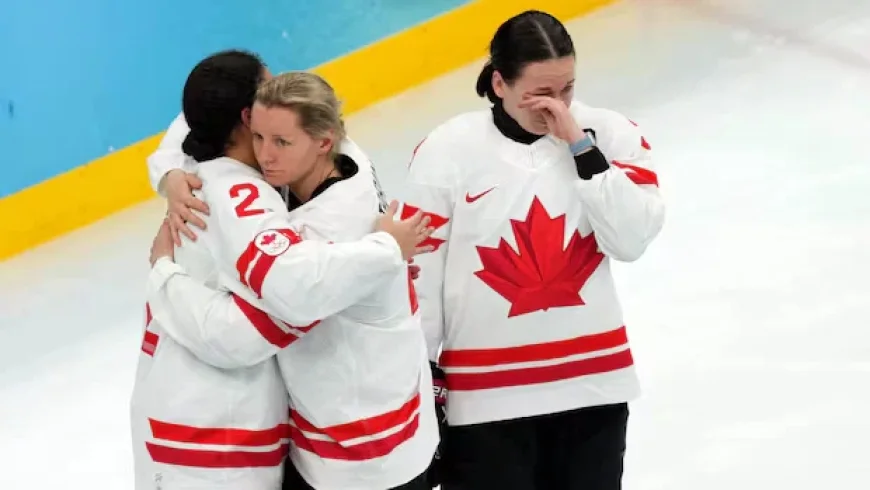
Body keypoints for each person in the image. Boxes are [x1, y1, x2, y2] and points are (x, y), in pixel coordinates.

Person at [131, 50, 435, 490]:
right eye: (261, 131)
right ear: (243, 118)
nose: (269, 151)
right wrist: (168, 177)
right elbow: (185, 125)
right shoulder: (252, 187)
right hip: (214, 437)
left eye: (281, 140)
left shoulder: (324, 217)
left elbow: (266, 316)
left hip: (356, 447)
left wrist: (162, 273)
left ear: (322, 139)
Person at [400, 10, 666, 490]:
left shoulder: (610, 134)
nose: (557, 105)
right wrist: (418, 386)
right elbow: (420, 275)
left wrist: (581, 148)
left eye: (567, 89)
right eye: (541, 93)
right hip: (485, 402)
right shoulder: (446, 151)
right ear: (499, 83)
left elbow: (631, 239)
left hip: (593, 389)